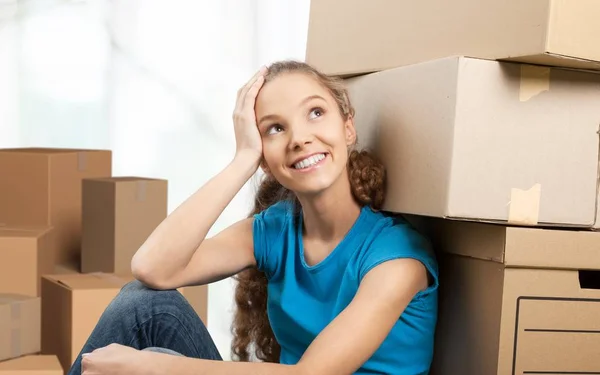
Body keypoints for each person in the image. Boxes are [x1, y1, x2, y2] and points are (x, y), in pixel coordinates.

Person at [70, 60, 439, 375]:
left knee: (155, 362)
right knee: (141, 303)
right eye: (275, 129)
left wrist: (153, 366)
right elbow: (152, 268)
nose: (299, 138)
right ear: (265, 155)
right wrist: (242, 160)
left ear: (348, 128)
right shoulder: (277, 230)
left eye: (315, 113)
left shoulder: (397, 257)